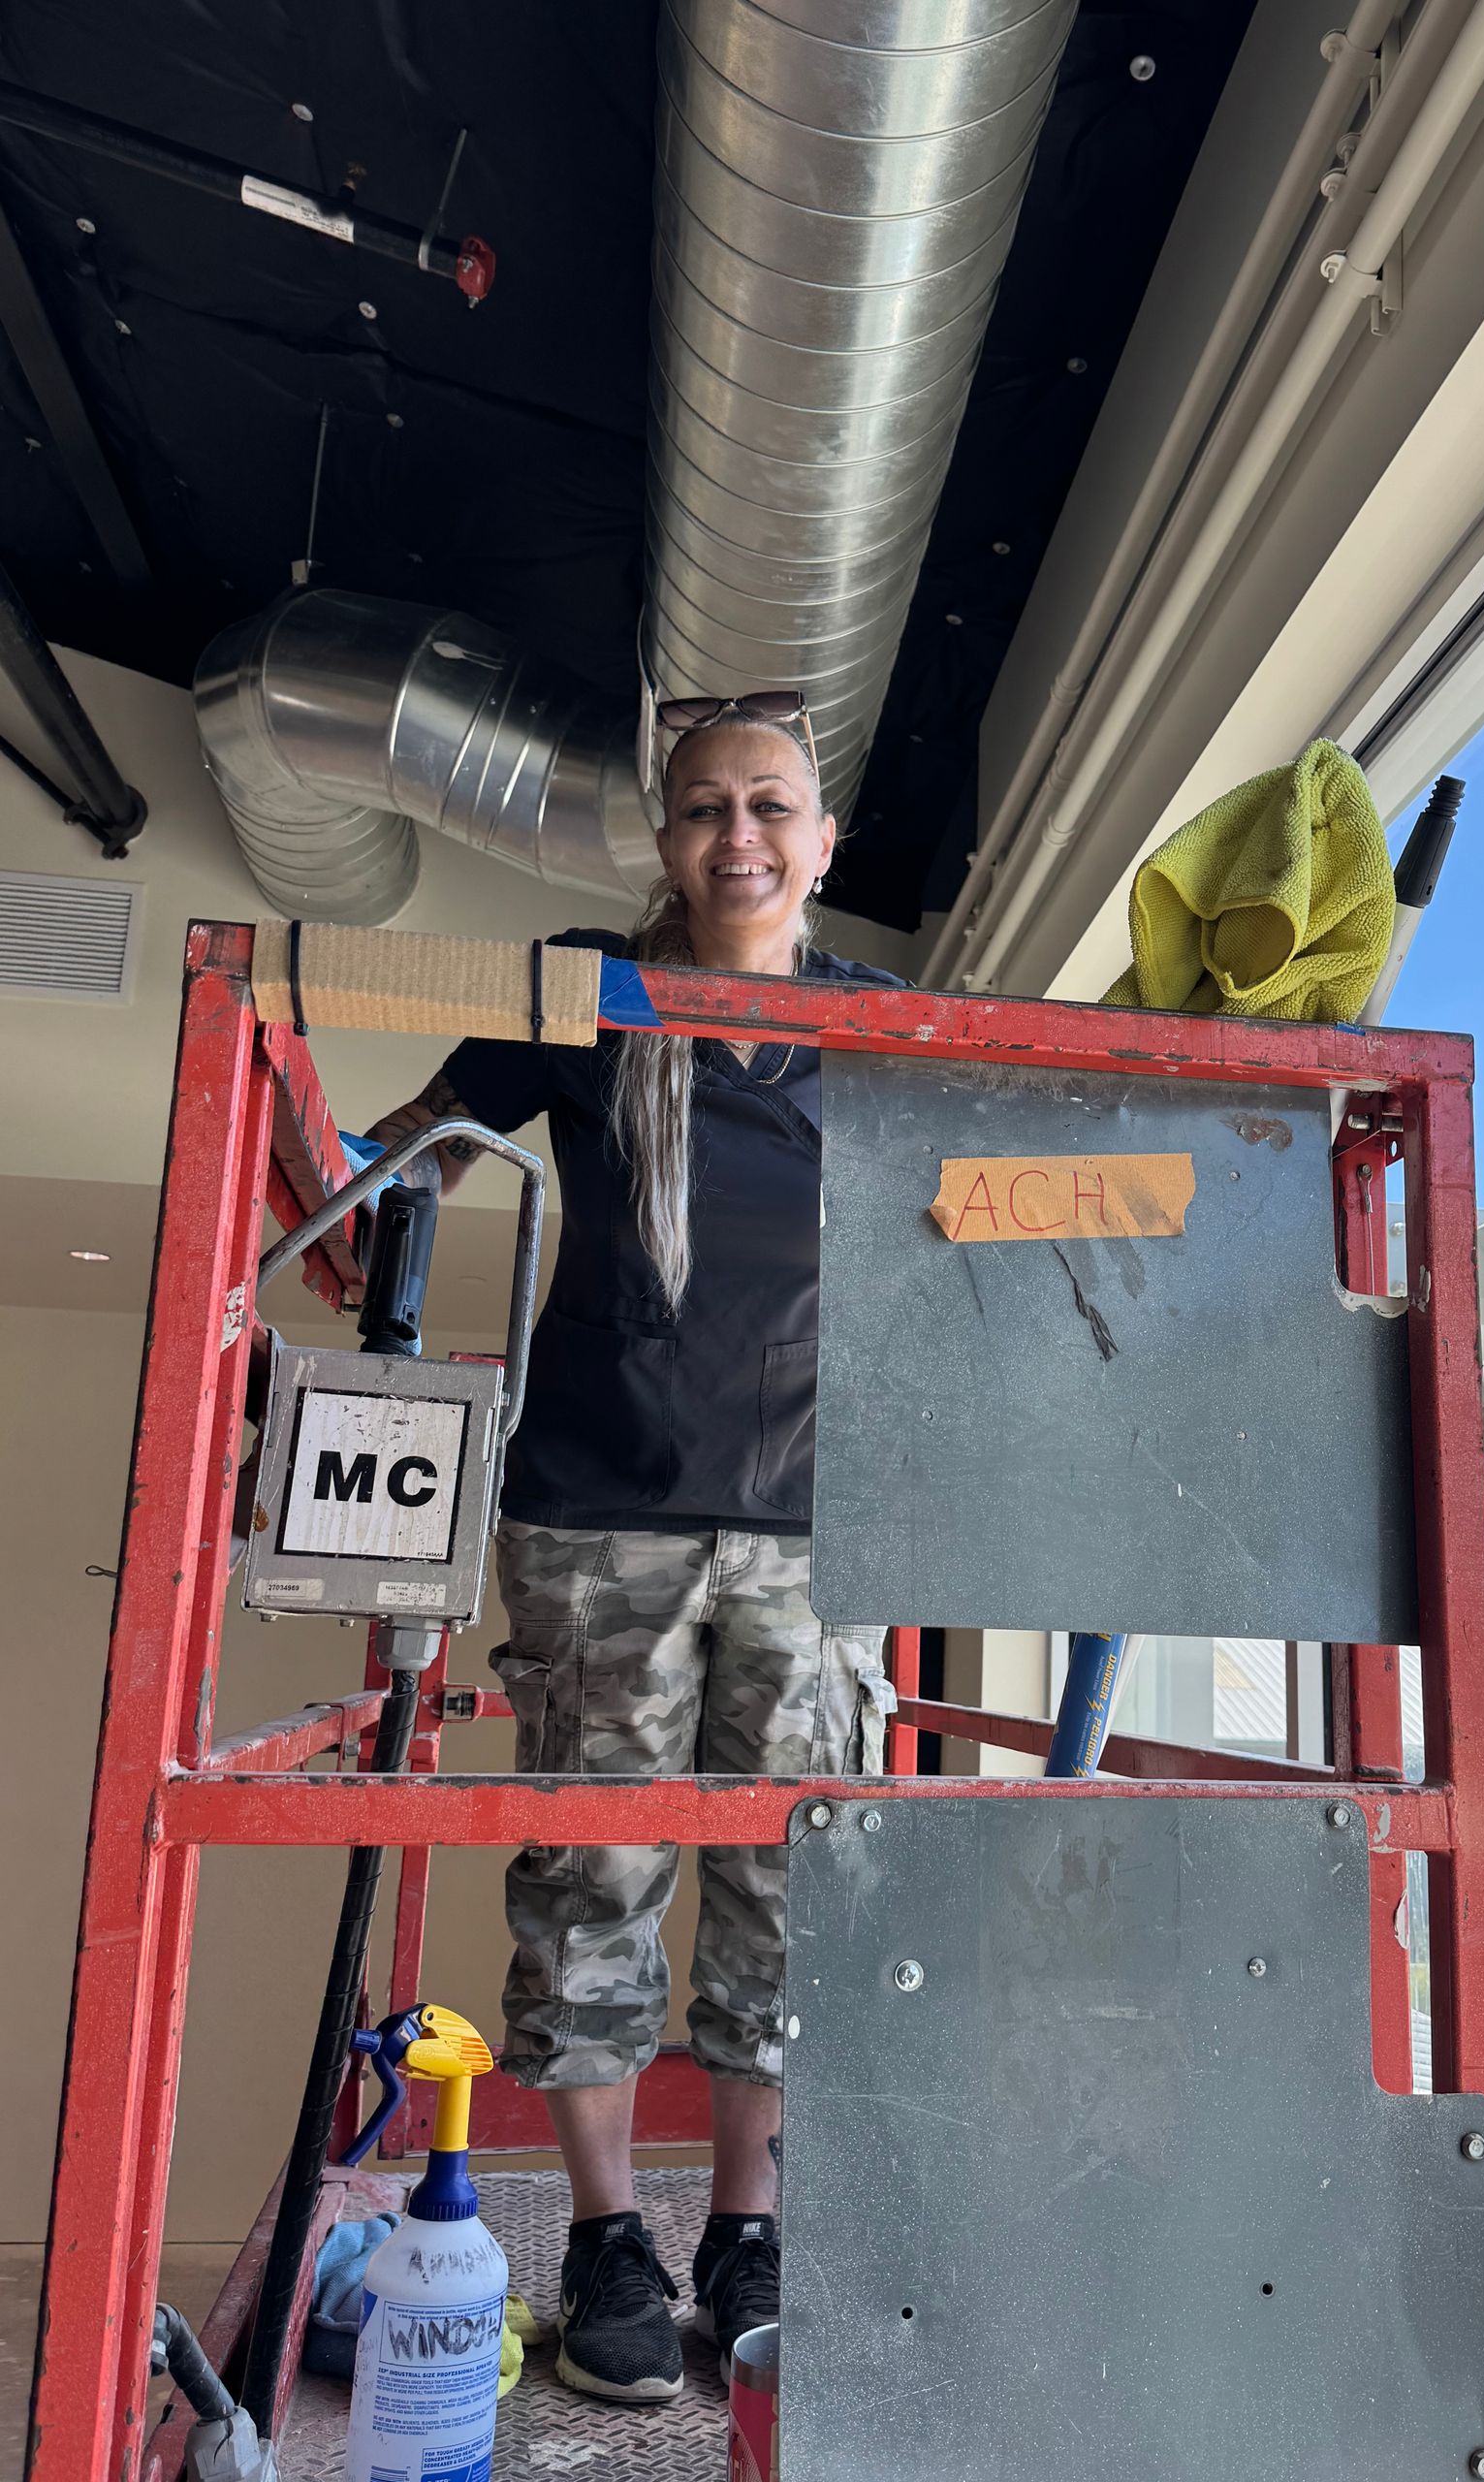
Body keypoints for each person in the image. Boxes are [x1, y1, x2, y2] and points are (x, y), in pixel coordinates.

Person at [367, 697, 905, 2405]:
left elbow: (1019, 1205)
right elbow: (398, 1156)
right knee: (596, 1879)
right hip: (599, 1520)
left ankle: (746, 2224)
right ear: (665, 841)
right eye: (701, 809)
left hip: (829, 1526)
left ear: (823, 844)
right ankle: (607, 2232)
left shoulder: (892, 1031)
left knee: (787, 1882)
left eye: (771, 806)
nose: (736, 836)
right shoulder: (583, 992)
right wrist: (355, 1274)